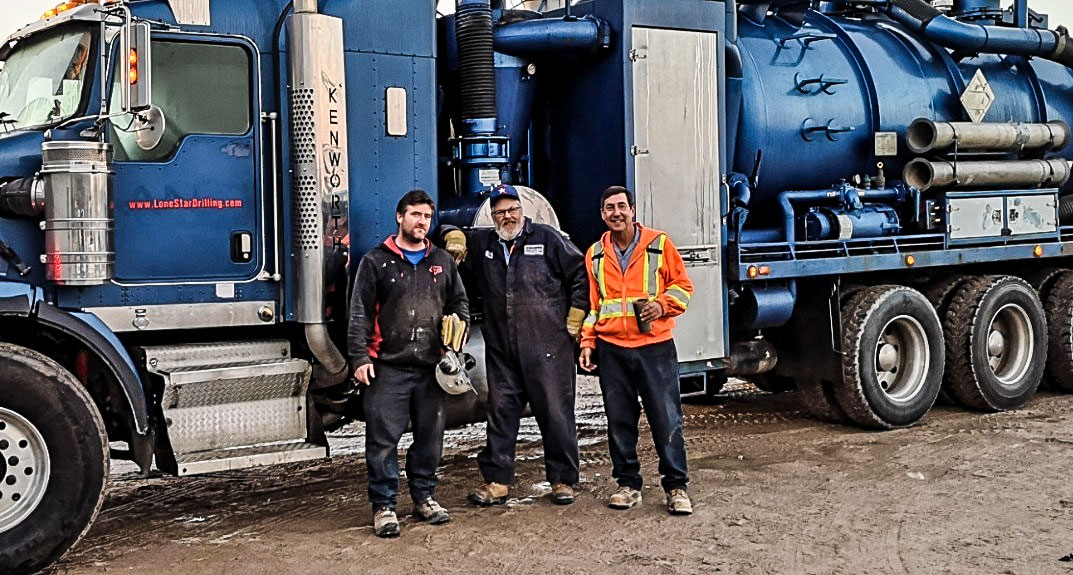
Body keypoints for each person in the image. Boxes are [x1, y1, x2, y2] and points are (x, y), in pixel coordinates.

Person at [442, 184, 588, 506]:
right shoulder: (484, 243)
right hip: (502, 349)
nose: (507, 217)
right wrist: (452, 233)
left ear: (522, 211)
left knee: (555, 412)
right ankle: (497, 481)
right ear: (492, 216)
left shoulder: (548, 239)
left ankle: (563, 480)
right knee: (501, 412)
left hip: (548, 346)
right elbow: (445, 226)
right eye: (500, 212)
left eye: (512, 210)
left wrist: (577, 312)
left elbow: (581, 273)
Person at [347, 189, 469, 538]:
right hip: (389, 368)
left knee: (430, 439)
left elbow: (460, 304)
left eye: (427, 217)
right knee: (383, 441)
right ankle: (384, 506)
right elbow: (358, 313)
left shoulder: (442, 261)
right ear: (399, 217)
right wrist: (359, 358)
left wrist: (457, 336)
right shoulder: (376, 261)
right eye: (415, 215)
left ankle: (424, 498)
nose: (422, 222)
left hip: (432, 369)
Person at [578, 185, 695, 515]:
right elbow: (594, 306)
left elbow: (683, 286)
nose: (616, 213)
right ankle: (628, 485)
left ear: (632, 210)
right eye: (609, 208)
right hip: (612, 349)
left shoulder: (659, 244)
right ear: (602, 214)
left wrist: (662, 306)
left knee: (666, 418)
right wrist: (588, 343)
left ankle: (676, 487)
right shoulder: (595, 255)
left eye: (621, 207)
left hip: (655, 348)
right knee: (619, 421)